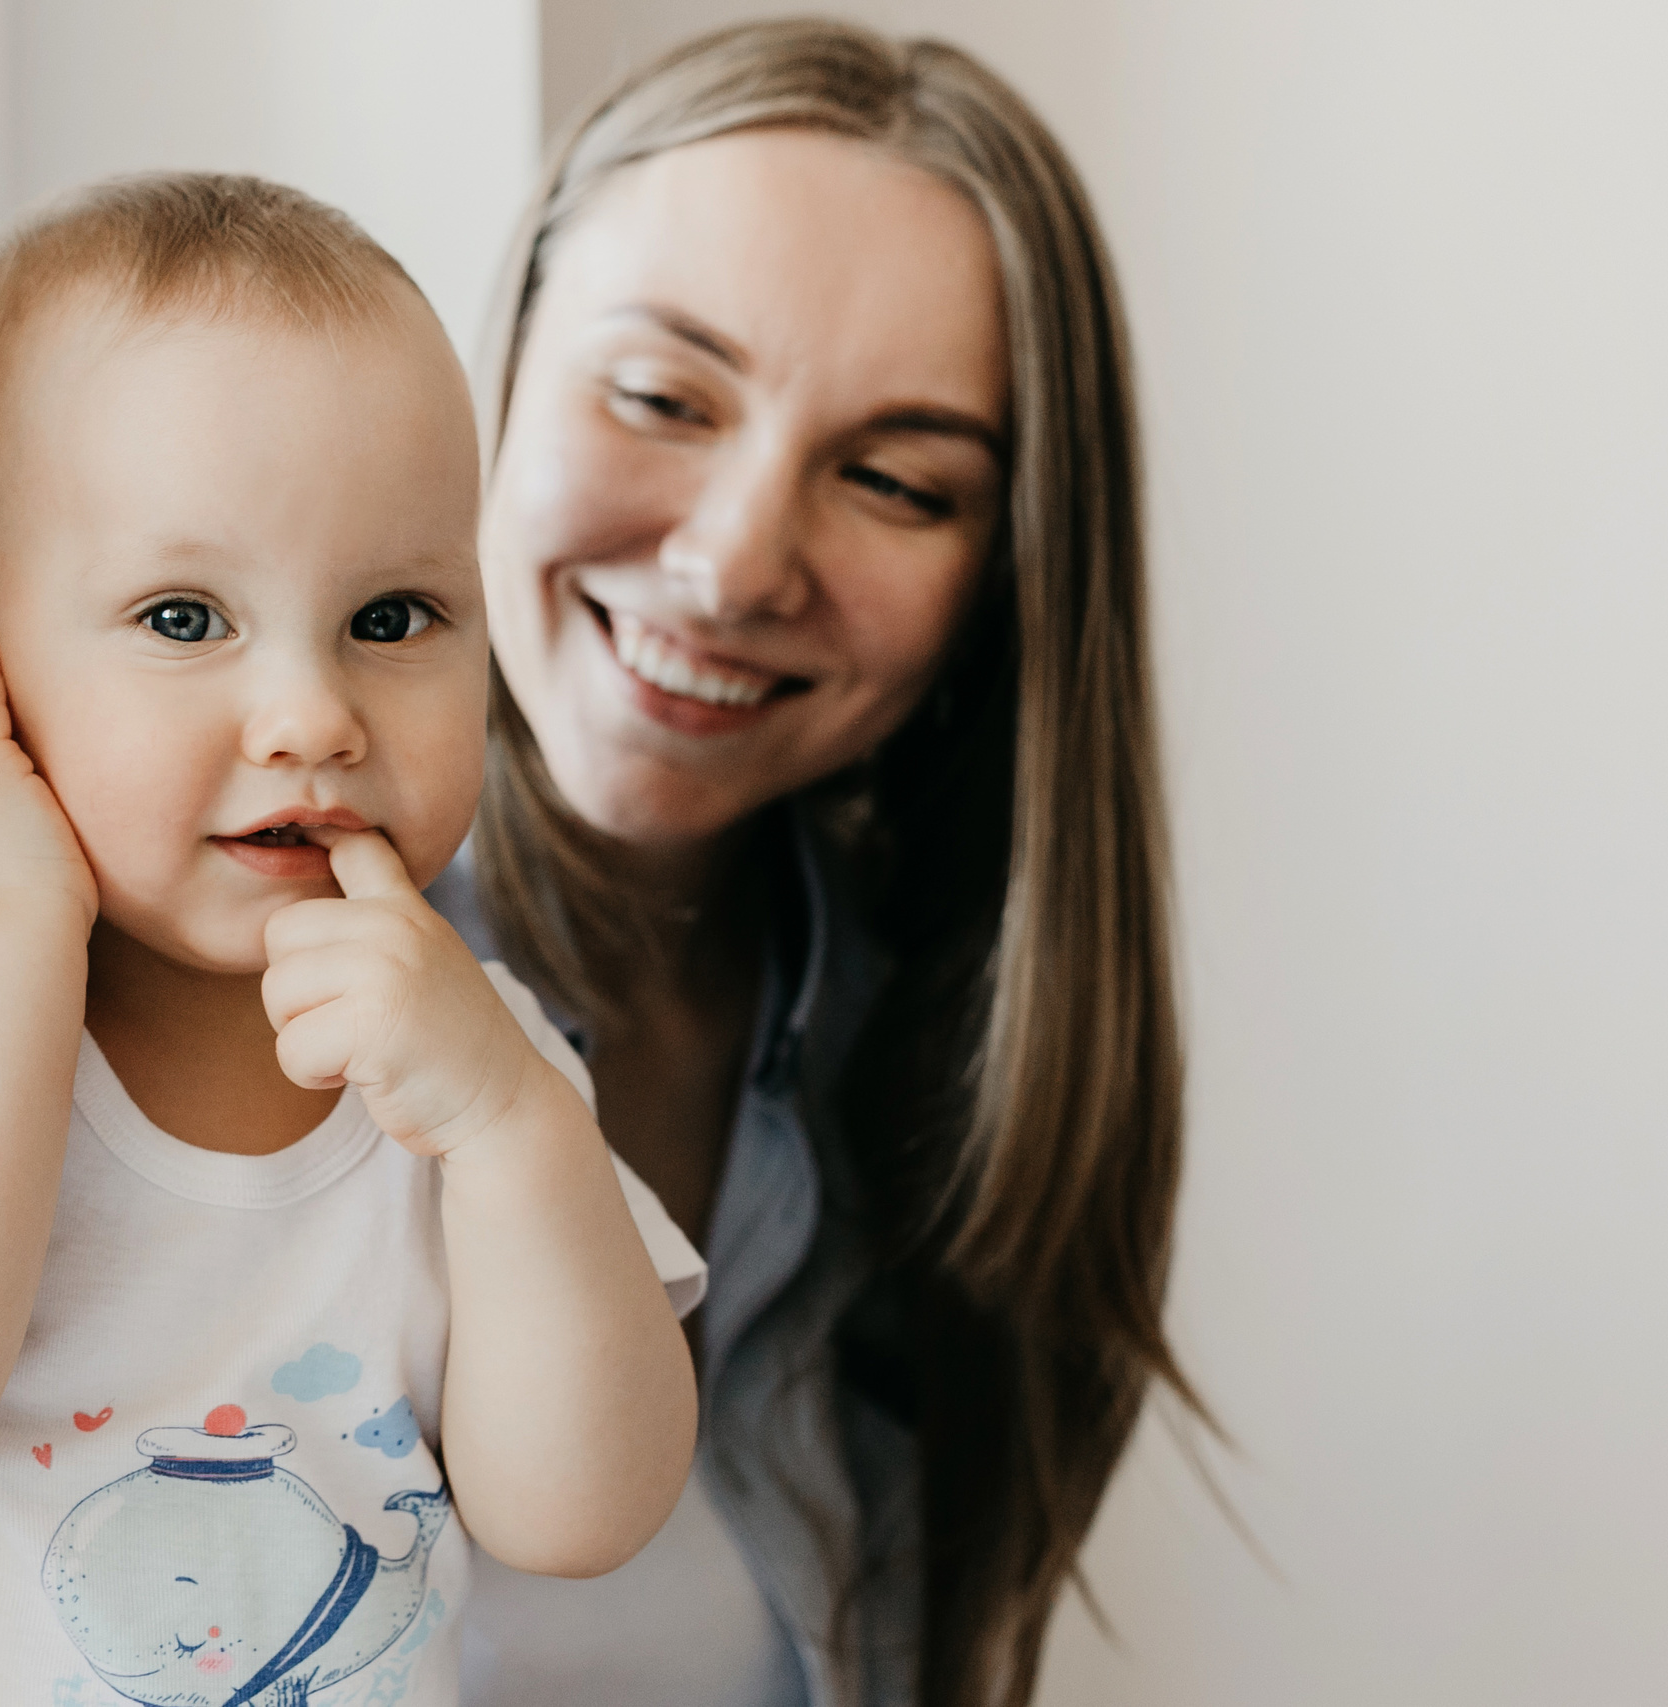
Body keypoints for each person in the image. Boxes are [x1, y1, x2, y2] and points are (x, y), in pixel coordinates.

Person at [0, 174, 702, 1707]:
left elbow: (580, 1514)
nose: (312, 718)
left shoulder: (472, 1060)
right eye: (185, 620)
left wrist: (505, 1122)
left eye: (395, 618)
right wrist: (3, 925)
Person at [437, 21, 1199, 1707]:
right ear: (495, 367)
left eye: (895, 481)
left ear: (1005, 578)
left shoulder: (947, 1082)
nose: (729, 565)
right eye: (658, 397)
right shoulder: (163, 997)